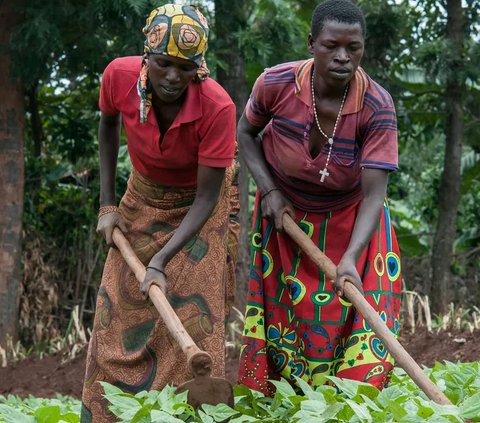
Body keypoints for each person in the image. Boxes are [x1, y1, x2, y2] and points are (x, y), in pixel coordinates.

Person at [80, 4, 239, 421]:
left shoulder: (217, 107)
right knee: (118, 310)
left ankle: (186, 414)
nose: (172, 77)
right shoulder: (118, 75)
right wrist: (108, 204)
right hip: (142, 195)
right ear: (146, 57)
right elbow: (108, 124)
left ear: (199, 67)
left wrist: (162, 259)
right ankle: (106, 413)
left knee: (193, 309)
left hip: (199, 206)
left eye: (184, 68)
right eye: (163, 64)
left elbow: (207, 197)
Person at [237, 0, 401, 395]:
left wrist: (350, 257)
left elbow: (374, 193)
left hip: (354, 219)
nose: (344, 57)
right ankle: (287, 402)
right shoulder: (275, 83)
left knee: (365, 317)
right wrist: (270, 191)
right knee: (285, 317)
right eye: (332, 46)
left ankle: (350, 405)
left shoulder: (377, 105)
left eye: (354, 48)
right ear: (312, 43)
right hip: (284, 214)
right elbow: (245, 133)